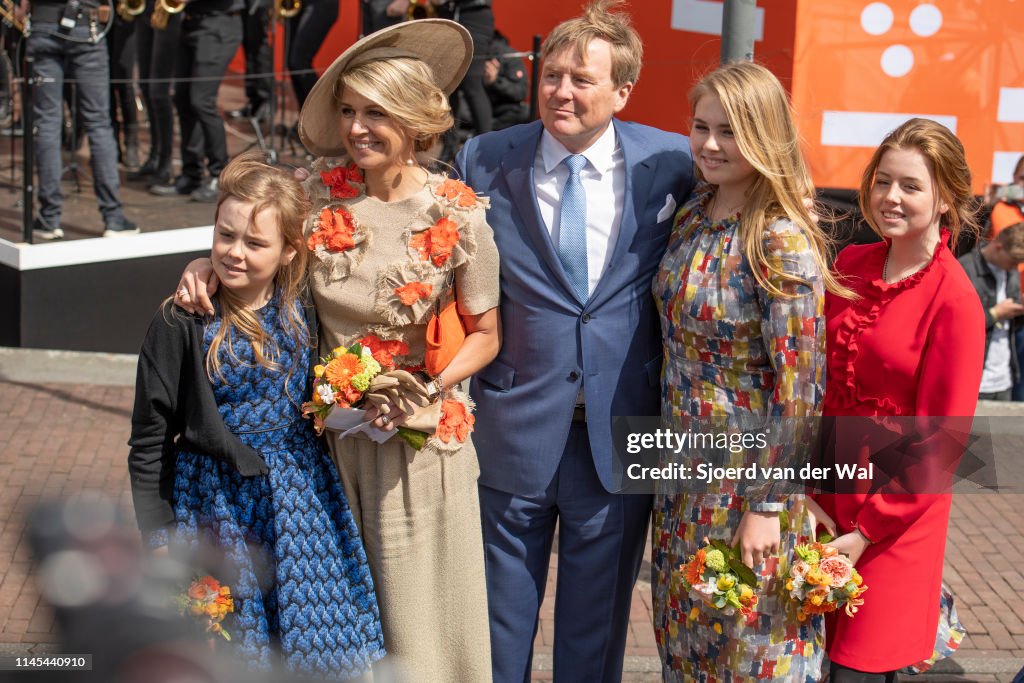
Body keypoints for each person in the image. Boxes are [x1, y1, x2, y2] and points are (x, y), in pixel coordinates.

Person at [173, 20, 500, 682]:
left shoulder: (459, 213)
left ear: (413, 119)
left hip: (420, 454)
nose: (357, 127)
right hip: (324, 449)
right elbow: (251, 239)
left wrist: (430, 390)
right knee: (339, 634)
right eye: (348, 111)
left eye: (375, 112)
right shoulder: (317, 193)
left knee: (422, 631)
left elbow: (489, 336)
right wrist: (204, 267)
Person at [456, 2, 694, 680]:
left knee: (594, 637)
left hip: (620, 435)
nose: (561, 91)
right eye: (552, 74)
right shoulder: (484, 159)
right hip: (512, 427)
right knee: (498, 627)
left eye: (581, 80)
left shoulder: (672, 162)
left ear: (622, 92)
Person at [127, 151, 386, 675]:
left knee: (319, 646)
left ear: (291, 250)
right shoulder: (182, 320)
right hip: (214, 504)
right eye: (224, 236)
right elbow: (149, 441)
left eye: (254, 242)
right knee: (227, 648)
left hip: (302, 499)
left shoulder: (303, 304)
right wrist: (157, 539)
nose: (234, 252)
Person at [651, 60, 847, 682]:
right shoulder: (692, 216)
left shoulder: (780, 240)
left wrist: (767, 503)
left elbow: (803, 392)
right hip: (684, 475)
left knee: (754, 651)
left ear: (765, 136)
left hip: (750, 485)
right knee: (686, 644)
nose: (709, 145)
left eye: (730, 131)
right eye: (701, 126)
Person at [815, 118, 985, 681]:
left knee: (854, 669)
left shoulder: (955, 300)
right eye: (883, 180)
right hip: (823, 501)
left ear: (947, 198)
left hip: (891, 526)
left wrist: (865, 532)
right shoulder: (851, 264)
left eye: (911, 186)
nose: (891, 197)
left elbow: (941, 444)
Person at [26, 0, 138, 239]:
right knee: (98, 123)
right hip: (86, 25)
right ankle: (113, 218)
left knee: (47, 123)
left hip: (43, 23)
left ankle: (48, 219)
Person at [167, 0, 242, 202]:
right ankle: (191, 174)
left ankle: (219, 176)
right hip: (191, 23)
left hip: (217, 25)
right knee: (182, 99)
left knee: (202, 101)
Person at [959, 222, 1024, 401]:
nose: (1015, 268)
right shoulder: (964, 270)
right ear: (998, 247)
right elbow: (955, 326)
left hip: (1004, 379)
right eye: (1013, 262)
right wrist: (995, 313)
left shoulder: (1011, 272)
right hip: (976, 380)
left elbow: (1012, 325)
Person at [131, 0, 181, 192]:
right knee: (146, 86)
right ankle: (154, 155)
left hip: (169, 11)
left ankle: (165, 162)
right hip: (146, 10)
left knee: (158, 92)